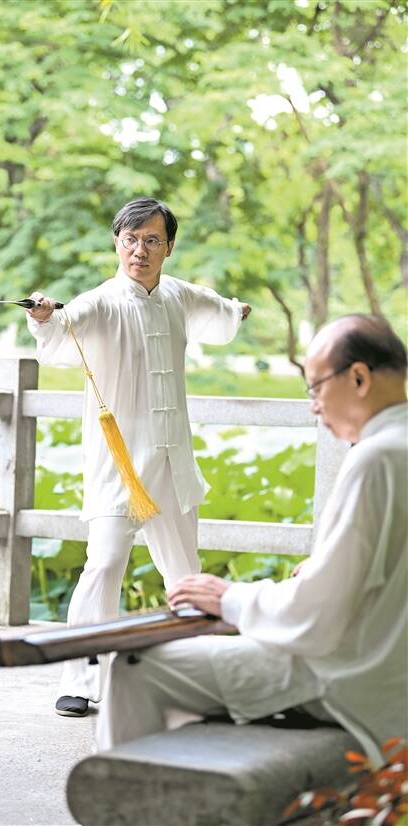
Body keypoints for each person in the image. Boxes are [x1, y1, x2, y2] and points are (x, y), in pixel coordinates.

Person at [97, 314, 408, 767]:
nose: (314, 407)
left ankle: (132, 799)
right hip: (391, 668)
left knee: (138, 667)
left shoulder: (376, 458)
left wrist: (228, 597)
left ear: (358, 377)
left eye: (315, 388)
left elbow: (316, 615)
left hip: (352, 676)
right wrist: (325, 568)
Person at [26, 197, 251, 717]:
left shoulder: (178, 294)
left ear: (168, 247)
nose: (139, 251)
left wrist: (236, 311)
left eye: (152, 240)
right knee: (104, 564)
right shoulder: (101, 302)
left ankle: (196, 678)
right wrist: (43, 317)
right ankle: (80, 680)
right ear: (117, 242)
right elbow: (61, 327)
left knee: (185, 574)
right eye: (130, 239)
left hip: (173, 464)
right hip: (120, 466)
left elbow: (217, 310)